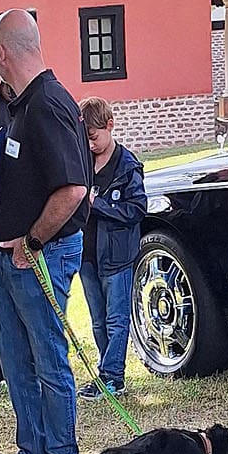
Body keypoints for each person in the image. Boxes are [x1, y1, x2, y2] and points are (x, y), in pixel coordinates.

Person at [0, 10, 91, 454]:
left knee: (47, 355)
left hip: (41, 254)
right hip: (10, 257)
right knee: (15, 357)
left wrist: (33, 242)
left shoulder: (47, 103)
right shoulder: (21, 106)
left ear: (3, 54)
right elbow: (34, 179)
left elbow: (74, 189)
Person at [76, 98, 146, 400]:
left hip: (117, 256)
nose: (90, 145)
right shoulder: (82, 162)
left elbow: (137, 209)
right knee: (98, 320)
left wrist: (99, 205)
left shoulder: (127, 167)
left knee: (117, 320)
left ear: (110, 125)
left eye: (94, 137)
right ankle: (106, 372)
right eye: (85, 139)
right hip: (87, 254)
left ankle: (113, 377)